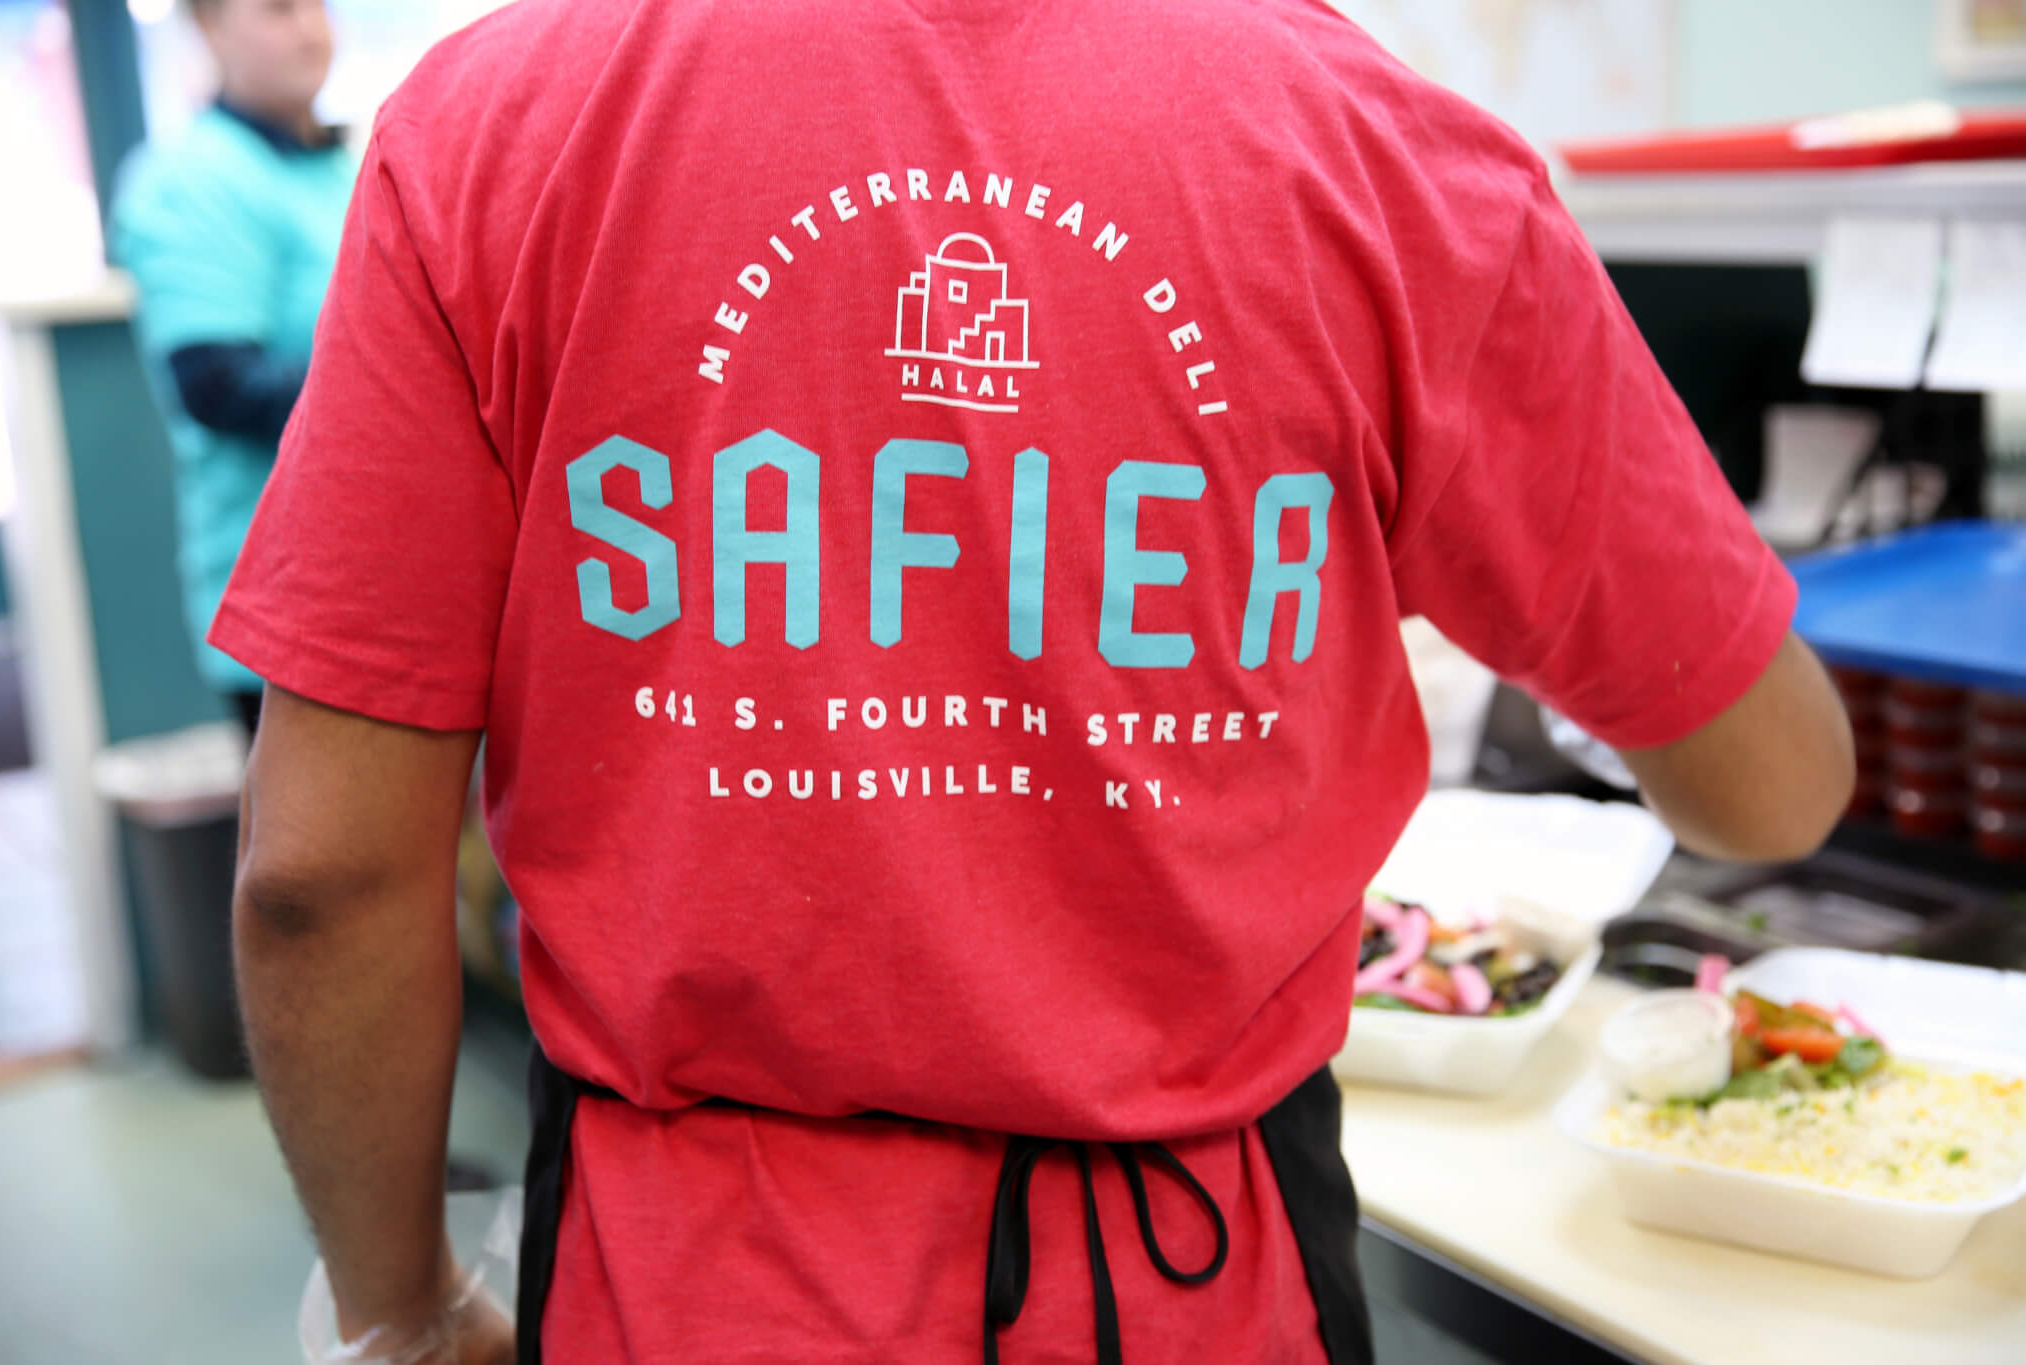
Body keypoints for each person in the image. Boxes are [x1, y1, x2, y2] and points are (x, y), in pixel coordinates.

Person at [214, 2, 1855, 1362]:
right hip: (1198, 1291)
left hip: (674, 1284)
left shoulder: (493, 130)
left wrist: (403, 1313)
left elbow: (323, 878)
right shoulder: (1384, 158)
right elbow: (1770, 786)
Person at [112, 0, 349, 738]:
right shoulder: (192, 179)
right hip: (292, 603)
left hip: (399, 584)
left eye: (318, 5)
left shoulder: (342, 163)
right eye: (278, 9)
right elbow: (219, 386)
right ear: (208, 30)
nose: (309, 27)